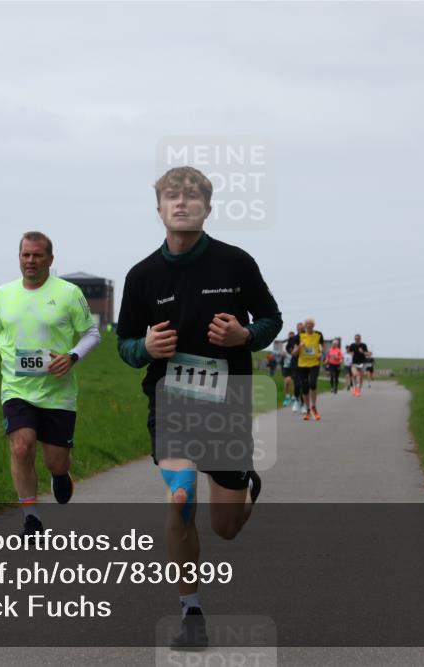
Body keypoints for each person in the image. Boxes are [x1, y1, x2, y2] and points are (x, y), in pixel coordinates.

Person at [117, 166, 282, 649]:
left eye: (192, 196)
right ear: (159, 209)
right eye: (172, 196)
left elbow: (272, 317)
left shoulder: (235, 263)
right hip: (170, 401)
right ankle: (191, 612)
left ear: (208, 208)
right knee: (181, 497)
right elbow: (125, 345)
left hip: (226, 403)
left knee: (225, 528)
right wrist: (146, 347)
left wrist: (245, 335)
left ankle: (246, 485)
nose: (182, 202)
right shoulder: (142, 276)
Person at [0, 232, 99, 537]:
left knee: (56, 461)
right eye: (25, 255)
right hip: (17, 388)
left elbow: (93, 333)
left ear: (50, 259)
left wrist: (72, 356)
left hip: (58, 392)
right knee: (21, 446)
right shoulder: (4, 293)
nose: (31, 261)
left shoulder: (68, 293)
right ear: (19, 257)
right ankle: (31, 516)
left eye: (37, 255)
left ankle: (61, 474)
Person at [293, 318, 325, 420]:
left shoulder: (318, 335)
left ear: (313, 325)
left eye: (311, 323)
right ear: (304, 326)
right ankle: (307, 410)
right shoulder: (299, 336)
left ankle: (314, 407)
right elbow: (294, 353)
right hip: (302, 365)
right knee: (305, 387)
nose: (309, 325)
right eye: (307, 323)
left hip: (314, 363)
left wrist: (321, 353)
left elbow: (322, 347)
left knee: (313, 383)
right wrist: (299, 347)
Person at [286, 323, 305, 413]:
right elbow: (291, 351)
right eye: (299, 328)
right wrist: (297, 348)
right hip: (296, 364)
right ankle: (297, 400)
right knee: (297, 384)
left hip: (306, 364)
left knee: (304, 384)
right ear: (297, 329)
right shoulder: (292, 339)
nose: (301, 330)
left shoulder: (308, 338)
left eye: (302, 328)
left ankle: (303, 403)